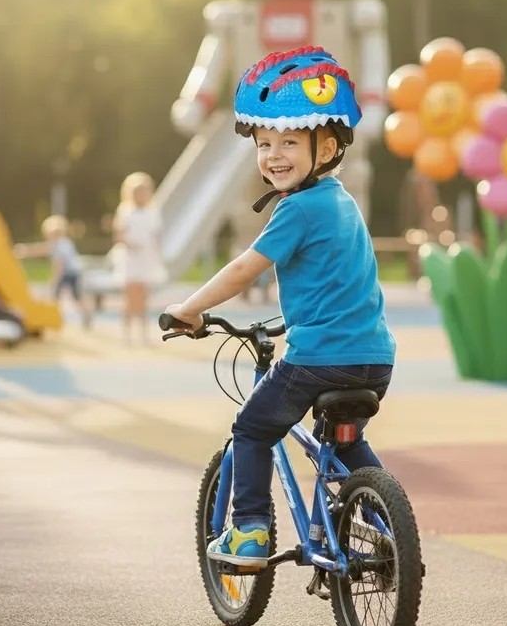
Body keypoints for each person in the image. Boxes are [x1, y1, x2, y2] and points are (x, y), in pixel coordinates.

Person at [164, 47, 396, 568]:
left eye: (290, 141)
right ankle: (389, 526)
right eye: (264, 143)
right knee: (346, 439)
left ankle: (249, 532)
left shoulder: (298, 209)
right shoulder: (341, 201)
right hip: (374, 357)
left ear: (329, 146)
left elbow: (246, 267)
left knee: (251, 429)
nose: (273, 154)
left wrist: (190, 309)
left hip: (317, 358)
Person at [113, 172, 165, 343]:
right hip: (130, 260)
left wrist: (156, 257)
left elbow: (156, 237)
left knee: (143, 298)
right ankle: (126, 333)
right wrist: (130, 245)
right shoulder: (125, 211)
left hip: (146, 259)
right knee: (129, 297)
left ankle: (143, 333)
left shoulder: (153, 212)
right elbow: (119, 235)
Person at [42, 214, 92, 328]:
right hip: (74, 271)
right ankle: (85, 314)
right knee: (76, 296)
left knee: (56, 296)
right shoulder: (62, 242)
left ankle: (54, 317)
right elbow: (43, 249)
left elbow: (60, 263)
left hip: (69, 272)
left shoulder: (61, 244)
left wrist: (54, 278)